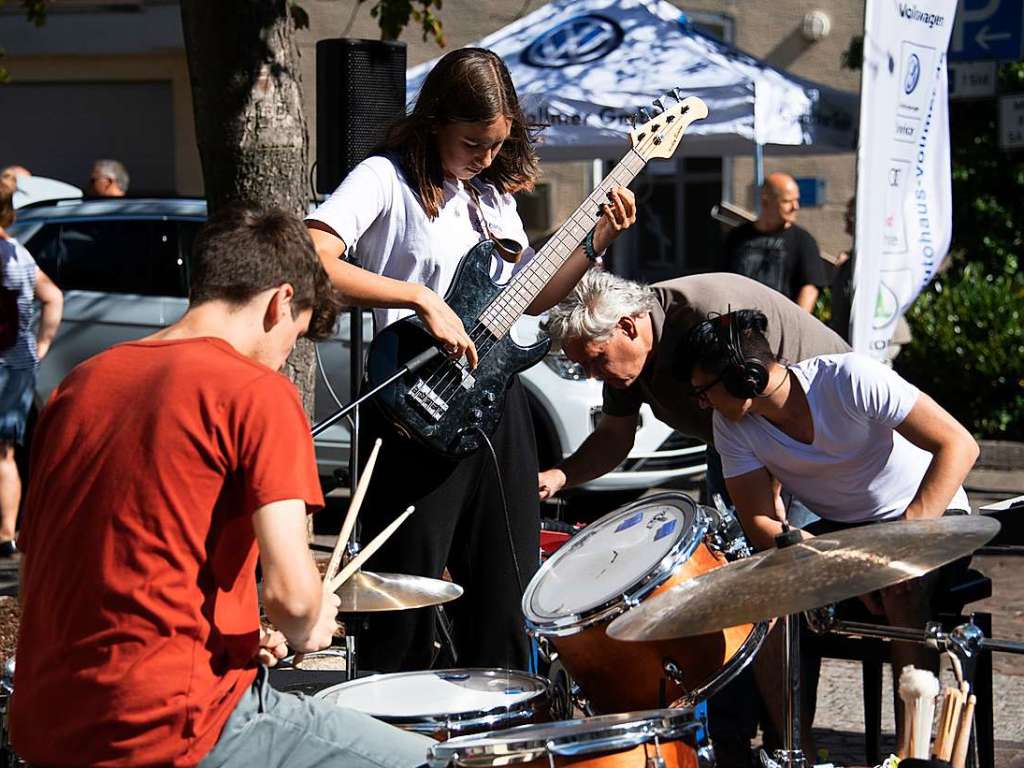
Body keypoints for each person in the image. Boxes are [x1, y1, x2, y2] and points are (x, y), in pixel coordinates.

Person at [10, 207, 433, 768]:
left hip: (48, 720)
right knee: (435, 762)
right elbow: (294, 600)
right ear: (281, 301)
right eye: (295, 336)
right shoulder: (256, 393)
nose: (285, 356)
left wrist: (238, 634)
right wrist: (311, 621)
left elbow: (60, 557)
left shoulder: (78, 386)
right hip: (168, 724)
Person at [306, 47, 637, 673]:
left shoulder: (490, 198)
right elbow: (313, 255)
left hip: (495, 401)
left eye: (496, 143)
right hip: (414, 402)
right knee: (402, 596)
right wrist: (418, 298)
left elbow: (528, 295)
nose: (484, 157)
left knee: (508, 592)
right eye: (472, 142)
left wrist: (594, 243)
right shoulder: (385, 177)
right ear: (435, 122)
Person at [536, 269, 848, 766]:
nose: (596, 375)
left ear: (629, 327)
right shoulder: (625, 354)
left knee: (777, 587)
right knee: (726, 582)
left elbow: (760, 406)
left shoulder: (704, 317)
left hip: (808, 440)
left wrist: (767, 522)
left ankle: (790, 744)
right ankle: (734, 738)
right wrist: (559, 475)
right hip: (737, 442)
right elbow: (616, 436)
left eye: (595, 361)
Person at [682, 309, 978, 755]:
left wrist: (894, 549)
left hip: (927, 510)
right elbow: (762, 523)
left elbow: (959, 445)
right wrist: (838, 566)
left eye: (704, 391)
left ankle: (910, 755)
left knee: (901, 586)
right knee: (764, 591)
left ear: (747, 378)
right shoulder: (732, 425)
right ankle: (793, 751)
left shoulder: (849, 378)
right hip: (843, 532)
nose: (701, 404)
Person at [0, 185, 62, 557]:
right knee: (5, 452)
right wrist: (40, 346)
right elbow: (53, 296)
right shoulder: (20, 254)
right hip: (18, 361)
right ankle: (6, 533)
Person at [724, 172, 827, 312]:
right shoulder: (737, 237)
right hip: (741, 324)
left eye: (796, 200)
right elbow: (722, 281)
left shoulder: (802, 240)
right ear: (765, 202)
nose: (795, 206)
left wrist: (796, 324)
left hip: (782, 324)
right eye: (787, 201)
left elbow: (810, 288)